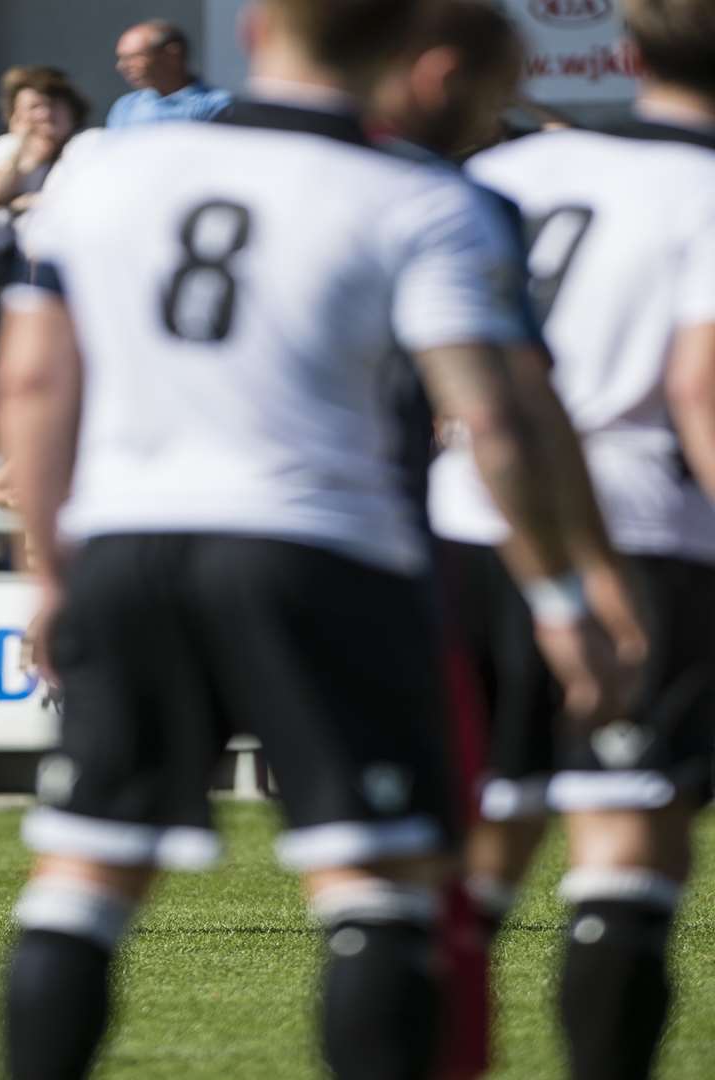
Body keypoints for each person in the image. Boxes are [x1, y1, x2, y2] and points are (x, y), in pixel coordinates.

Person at [0, 1, 628, 1077]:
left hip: (129, 546)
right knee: (373, 886)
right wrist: (563, 596)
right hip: (324, 551)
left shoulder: (100, 170)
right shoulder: (423, 197)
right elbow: (496, 420)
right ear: (403, 45)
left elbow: (30, 380)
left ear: (257, 24)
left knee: (82, 880)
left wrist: (49, 571)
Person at [425, 1, 715, 1075]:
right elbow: (700, 385)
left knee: (479, 843)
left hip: (467, 518)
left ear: (629, 56)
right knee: (625, 840)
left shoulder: (515, 177)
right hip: (640, 526)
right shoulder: (703, 187)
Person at [0, 67, 88, 260]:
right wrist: (20, 147)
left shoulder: (87, 145)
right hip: (11, 254)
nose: (45, 114)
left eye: (53, 105)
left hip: (68, 252)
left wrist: (18, 202)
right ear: (15, 115)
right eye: (34, 107)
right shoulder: (6, 147)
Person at [105, 21, 233, 129]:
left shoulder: (217, 106)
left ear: (172, 54)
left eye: (134, 57)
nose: (122, 66)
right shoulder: (125, 107)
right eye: (122, 58)